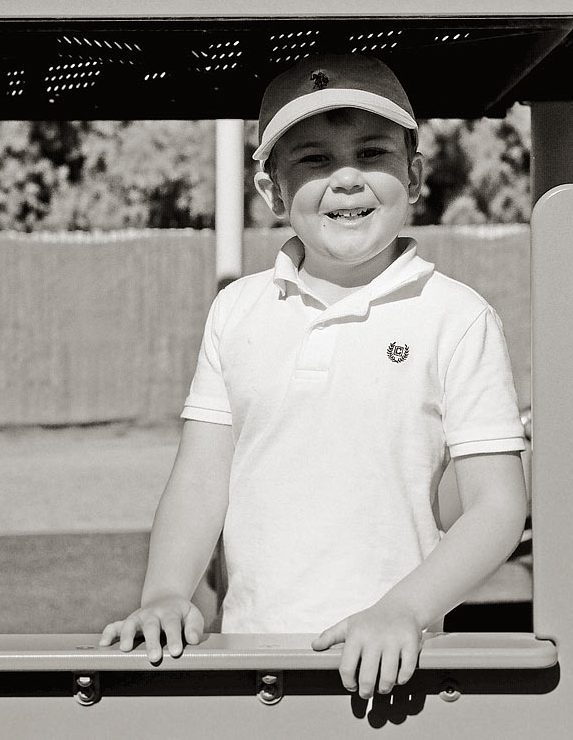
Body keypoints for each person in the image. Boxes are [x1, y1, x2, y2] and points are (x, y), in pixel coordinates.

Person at [100, 53, 528, 700]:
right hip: (250, 665)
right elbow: (200, 479)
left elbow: (497, 505)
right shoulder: (237, 311)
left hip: (396, 668)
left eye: (372, 152)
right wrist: (165, 591)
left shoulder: (456, 317)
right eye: (315, 160)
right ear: (272, 190)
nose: (346, 178)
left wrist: (403, 608)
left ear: (413, 176)